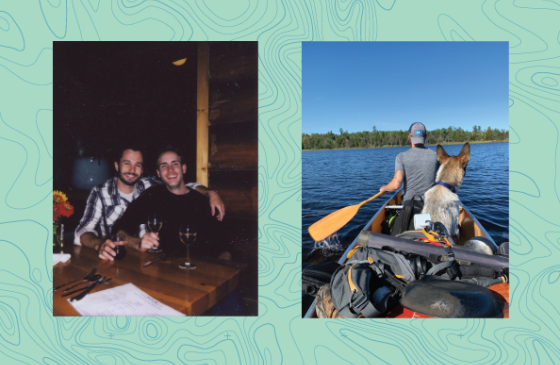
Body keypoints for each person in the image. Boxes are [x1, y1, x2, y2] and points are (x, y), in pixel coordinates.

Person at [74, 146, 225, 260]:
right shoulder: (102, 193)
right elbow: (87, 230)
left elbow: (180, 185)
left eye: (138, 165)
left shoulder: (149, 186)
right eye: (127, 163)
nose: (132, 170)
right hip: (119, 259)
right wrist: (99, 244)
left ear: (184, 168)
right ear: (116, 166)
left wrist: (211, 193)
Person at [379, 122, 439, 234]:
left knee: (398, 236)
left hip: (409, 207)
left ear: (409, 138)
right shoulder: (437, 156)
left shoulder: (401, 157)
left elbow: (396, 184)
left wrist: (384, 188)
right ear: (425, 137)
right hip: (430, 207)